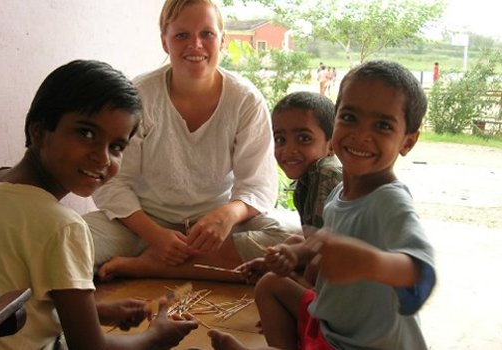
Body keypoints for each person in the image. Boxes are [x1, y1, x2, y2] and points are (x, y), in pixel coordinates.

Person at [0, 60, 198, 350]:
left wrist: (97, 311)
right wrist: (155, 338)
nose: (103, 158)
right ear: (39, 131)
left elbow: (10, 297)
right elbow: (91, 348)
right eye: (86, 134)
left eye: (116, 146)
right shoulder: (62, 226)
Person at [208, 60, 437, 350]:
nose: (361, 134)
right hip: (333, 329)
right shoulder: (338, 193)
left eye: (382, 125)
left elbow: (420, 272)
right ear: (335, 120)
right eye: (350, 117)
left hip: (368, 344)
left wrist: (371, 263)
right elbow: (322, 245)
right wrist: (292, 254)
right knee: (270, 284)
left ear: (408, 142)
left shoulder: (389, 200)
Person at [83, 0, 296, 283]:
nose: (195, 45)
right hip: (142, 224)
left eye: (206, 34)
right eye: (182, 35)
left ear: (223, 40)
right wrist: (155, 235)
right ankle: (192, 263)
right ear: (164, 41)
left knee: (290, 238)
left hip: (214, 232)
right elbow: (114, 183)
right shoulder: (139, 95)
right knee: (71, 237)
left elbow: (257, 185)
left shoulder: (245, 100)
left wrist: (227, 215)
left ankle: (149, 266)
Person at [238, 91, 342, 286]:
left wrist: (306, 294)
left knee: (270, 285)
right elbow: (310, 242)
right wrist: (271, 263)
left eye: (303, 138)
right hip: (332, 261)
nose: (288, 150)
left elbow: (321, 248)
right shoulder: (309, 176)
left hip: (349, 279)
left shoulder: (324, 175)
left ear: (332, 144)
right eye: (280, 140)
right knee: (294, 241)